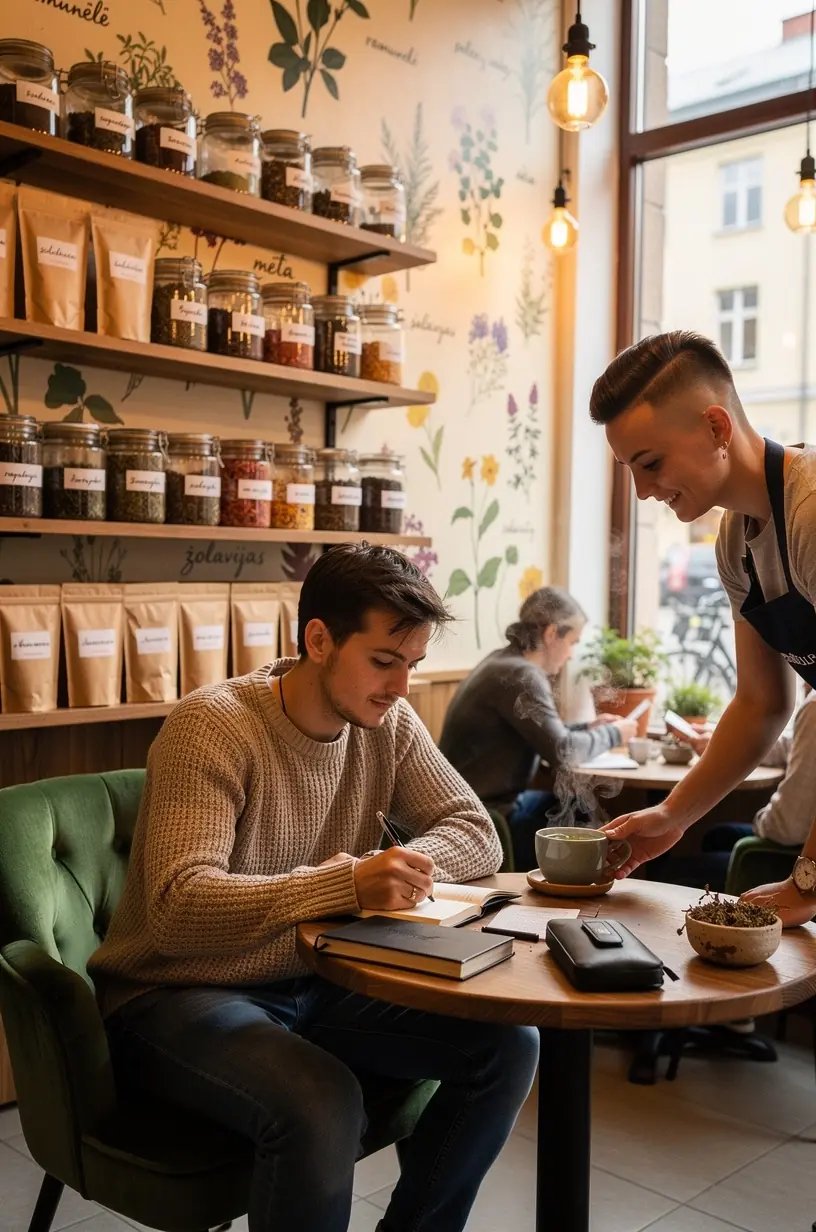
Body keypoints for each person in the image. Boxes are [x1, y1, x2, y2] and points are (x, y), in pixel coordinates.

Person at [89, 544, 539, 1232]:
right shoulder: (212, 725)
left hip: (314, 975)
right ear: (320, 640)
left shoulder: (386, 721)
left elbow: (476, 831)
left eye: (413, 666)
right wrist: (350, 882)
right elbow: (178, 908)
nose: (400, 687)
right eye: (384, 662)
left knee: (510, 1045)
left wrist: (404, 866)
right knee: (322, 1099)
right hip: (173, 992)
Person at [589, 329, 816, 925]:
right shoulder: (735, 541)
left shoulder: (810, 513)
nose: (641, 492)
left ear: (717, 427)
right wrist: (673, 815)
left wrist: (810, 879)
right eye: (629, 470)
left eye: (651, 464)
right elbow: (761, 702)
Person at [438, 586, 636, 870]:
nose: (571, 655)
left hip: (477, 803)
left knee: (576, 803)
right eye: (573, 642)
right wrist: (616, 734)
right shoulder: (521, 674)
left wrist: (588, 726)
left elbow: (541, 732)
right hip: (488, 815)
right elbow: (563, 751)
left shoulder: (502, 662)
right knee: (584, 812)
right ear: (551, 633)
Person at [650, 687, 816, 891]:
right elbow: (791, 746)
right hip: (796, 842)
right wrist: (720, 743)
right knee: (717, 836)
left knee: (668, 871)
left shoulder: (814, 708)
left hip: (794, 859)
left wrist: (760, 820)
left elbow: (787, 829)